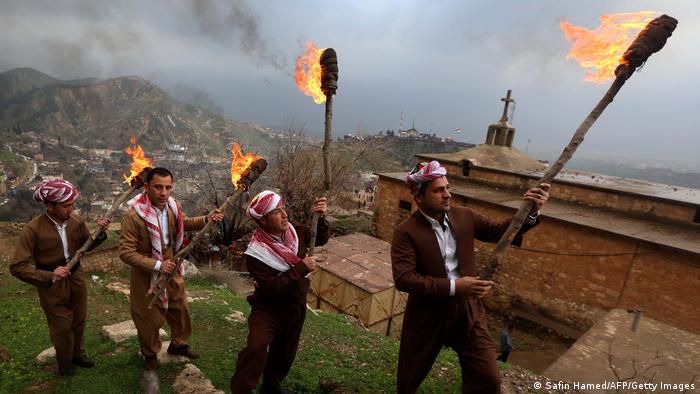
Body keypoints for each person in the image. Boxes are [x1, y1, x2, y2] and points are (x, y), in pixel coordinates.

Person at [391, 161, 550, 393]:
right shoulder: (406, 232)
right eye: (438, 190)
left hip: (468, 311)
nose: (447, 195)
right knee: (409, 375)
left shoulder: (464, 216)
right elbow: (405, 278)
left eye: (447, 188)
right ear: (419, 197)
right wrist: (456, 286)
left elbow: (499, 231)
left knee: (489, 378)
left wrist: (531, 212)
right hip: (428, 314)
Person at [119, 167, 223, 371]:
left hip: (172, 262)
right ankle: (149, 354)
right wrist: (158, 265)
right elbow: (126, 252)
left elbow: (184, 223)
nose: (164, 193)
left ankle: (178, 345)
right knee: (147, 313)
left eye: (168, 188)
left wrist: (206, 219)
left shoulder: (173, 207)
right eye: (158, 187)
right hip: (146, 269)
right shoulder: (133, 216)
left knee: (179, 306)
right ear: (147, 187)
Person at [230, 191, 329, 394]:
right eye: (276, 212)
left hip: (295, 305)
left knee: (286, 350)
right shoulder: (256, 253)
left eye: (283, 208)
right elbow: (273, 289)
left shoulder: (296, 231)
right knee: (256, 348)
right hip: (268, 309)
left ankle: (271, 385)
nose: (284, 214)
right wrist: (301, 268)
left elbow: (319, 238)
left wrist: (321, 215)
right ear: (263, 220)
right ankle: (241, 389)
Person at [11, 179, 110, 376]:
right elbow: (17, 267)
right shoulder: (33, 229)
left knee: (79, 319)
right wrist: (49, 275)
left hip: (76, 277)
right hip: (52, 285)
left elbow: (85, 247)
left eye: (72, 204)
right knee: (61, 326)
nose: (71, 209)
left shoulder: (76, 221)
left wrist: (99, 234)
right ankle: (64, 361)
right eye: (66, 206)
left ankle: (78, 354)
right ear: (50, 205)